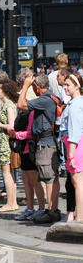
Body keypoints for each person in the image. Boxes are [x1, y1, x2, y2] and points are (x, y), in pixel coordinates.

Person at [17, 73, 61, 224]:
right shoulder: (50, 98)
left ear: (37, 87)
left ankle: (50, 211)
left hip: (46, 143)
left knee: (49, 178)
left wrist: (25, 86)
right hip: (48, 142)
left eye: (33, 87)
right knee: (51, 178)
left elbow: (20, 104)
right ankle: (52, 209)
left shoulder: (45, 99)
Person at [0, 80, 19, 212]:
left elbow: (11, 127)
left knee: (7, 173)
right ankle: (12, 202)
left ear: (5, 91)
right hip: (5, 142)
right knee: (9, 174)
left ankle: (10, 203)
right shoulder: (9, 104)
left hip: (6, 143)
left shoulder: (8, 105)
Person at [60, 72, 83, 222]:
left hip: (75, 146)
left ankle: (79, 217)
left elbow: (74, 131)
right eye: (64, 85)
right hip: (77, 144)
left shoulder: (75, 105)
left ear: (77, 86)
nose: (65, 87)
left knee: (77, 183)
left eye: (68, 85)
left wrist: (70, 155)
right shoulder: (79, 102)